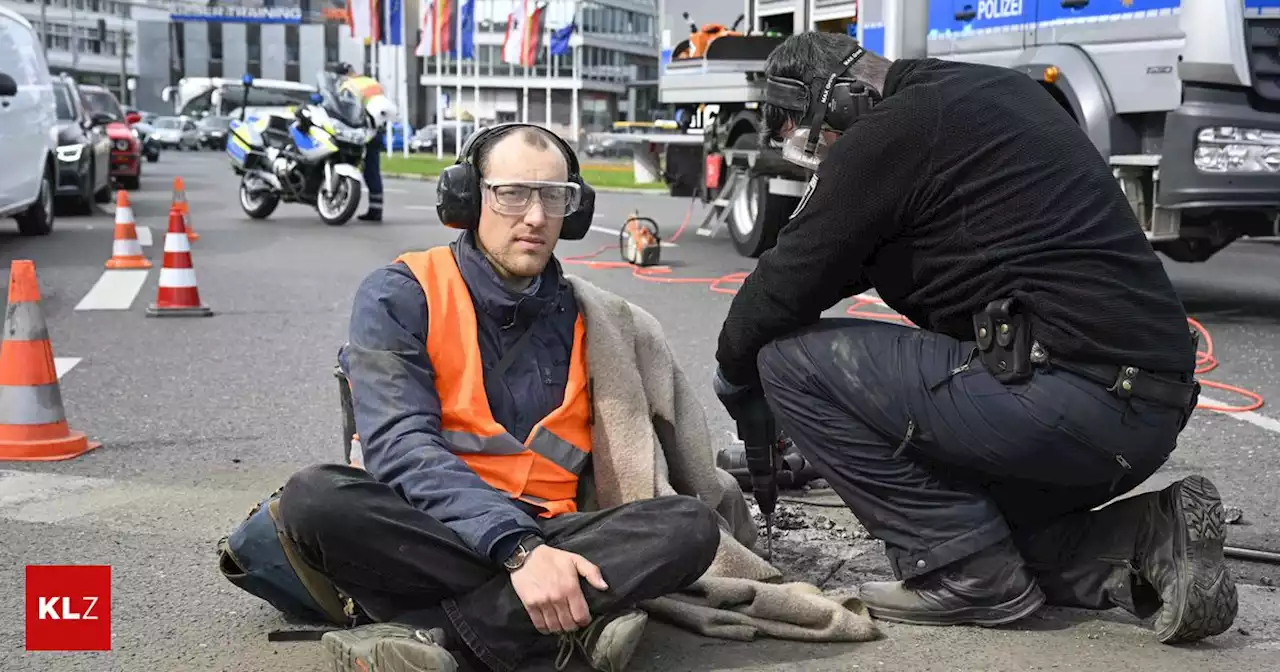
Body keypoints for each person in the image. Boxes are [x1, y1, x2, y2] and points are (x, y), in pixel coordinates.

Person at [711, 31, 1237, 645]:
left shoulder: (891, 130)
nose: (821, 153)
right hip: (1144, 414)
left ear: (846, 100)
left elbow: (786, 279)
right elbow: (846, 255)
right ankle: (1151, 535)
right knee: (990, 529)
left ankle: (962, 573)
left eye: (812, 132)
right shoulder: (990, 95)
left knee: (788, 362)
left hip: (1067, 400)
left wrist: (733, 374)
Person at [276, 123, 721, 672]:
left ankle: (437, 636)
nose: (535, 216)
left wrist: (537, 545)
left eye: (554, 197)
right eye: (512, 194)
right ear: (467, 196)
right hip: (431, 523)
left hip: (552, 528)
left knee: (688, 528)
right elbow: (399, 446)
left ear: (573, 211)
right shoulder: (402, 292)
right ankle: (560, 625)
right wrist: (520, 552)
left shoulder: (593, 319)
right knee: (316, 499)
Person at [335, 63, 395, 222]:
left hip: (358, 130)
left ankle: (337, 198)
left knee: (343, 162)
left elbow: (345, 110)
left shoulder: (347, 86)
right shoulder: (371, 82)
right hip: (376, 129)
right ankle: (376, 209)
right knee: (372, 169)